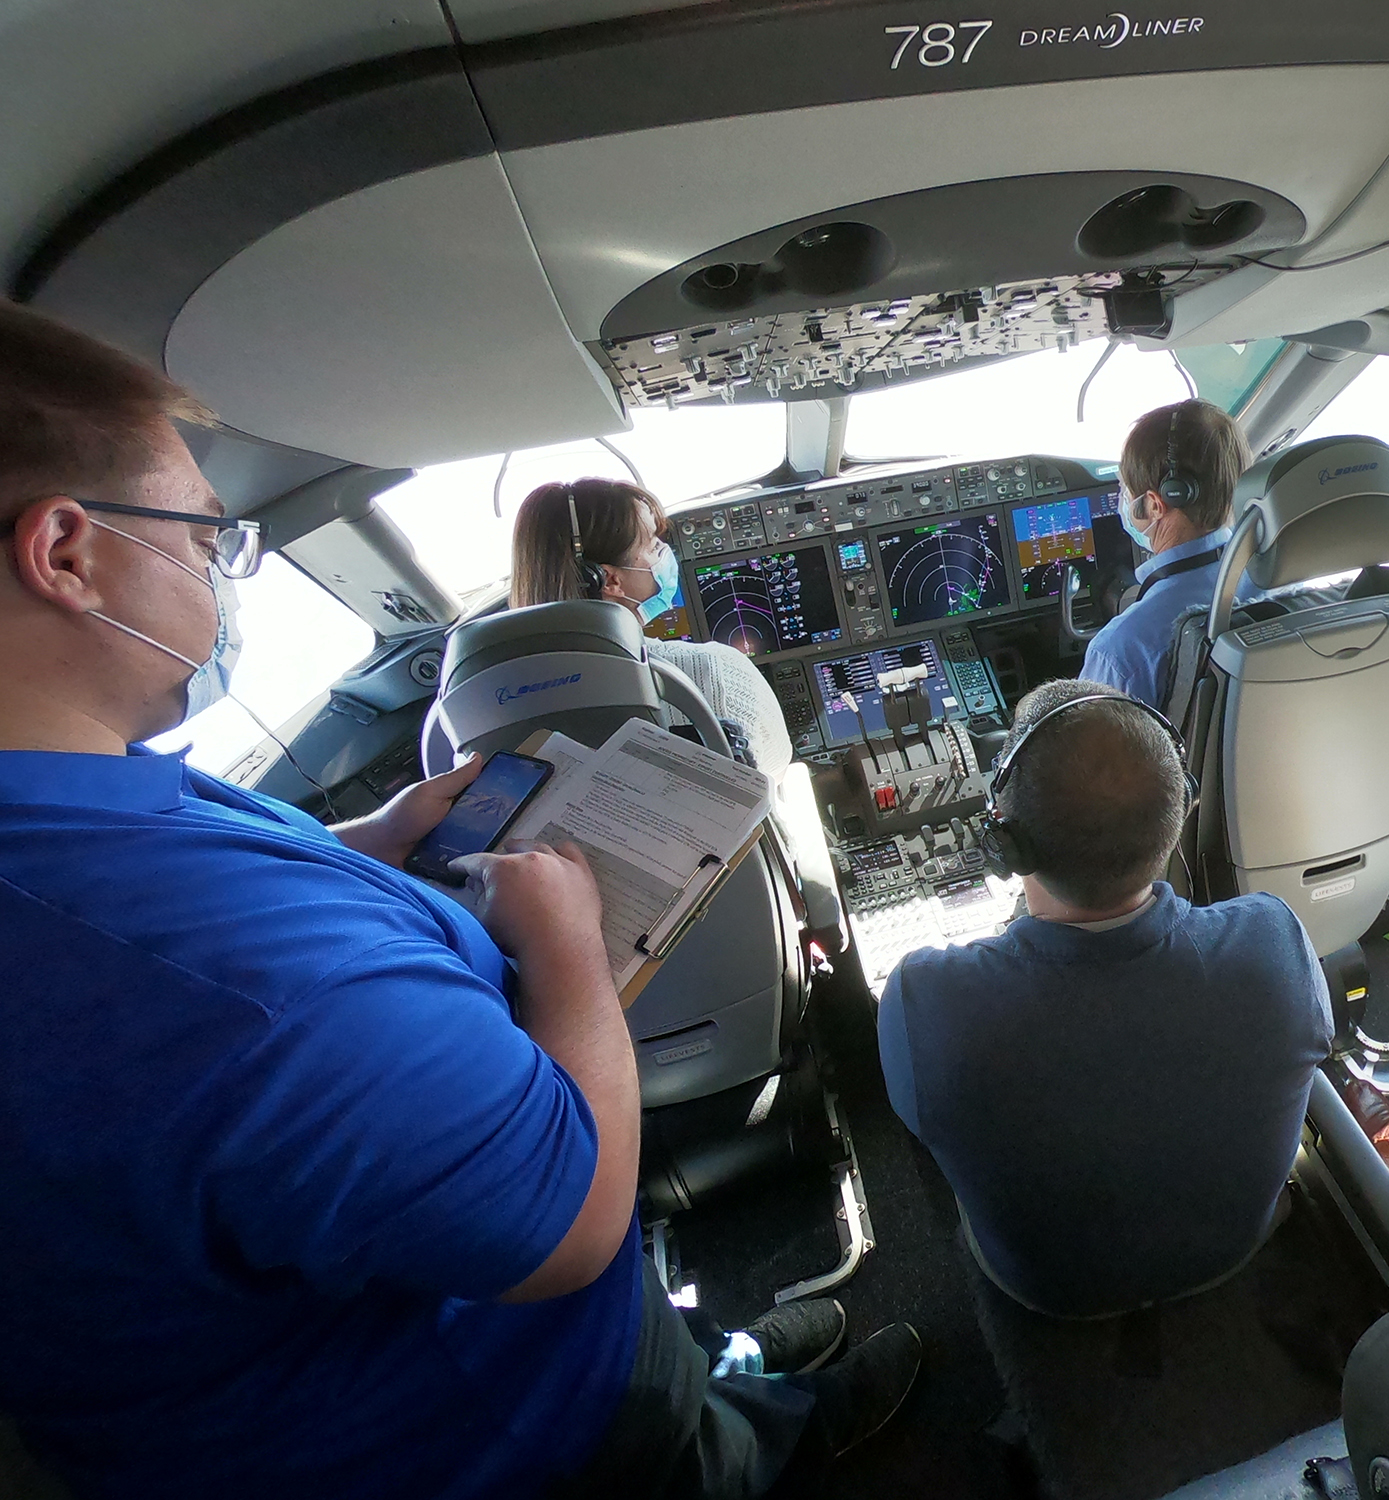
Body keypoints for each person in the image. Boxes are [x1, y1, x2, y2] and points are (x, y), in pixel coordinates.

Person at [0, 301, 919, 1499]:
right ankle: (764, 1441)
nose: (222, 571)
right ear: (66, 554)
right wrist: (569, 950)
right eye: (205, 536)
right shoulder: (242, 977)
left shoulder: (77, 801)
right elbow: (577, 1221)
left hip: (260, 1396)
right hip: (500, 1422)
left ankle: (729, 1369)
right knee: (691, 1454)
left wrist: (365, 846)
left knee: (686, 1365)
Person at [877, 679, 1335, 1318]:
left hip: (1046, 1292)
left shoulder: (923, 1005)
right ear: (1179, 821)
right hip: (1231, 1254)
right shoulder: (1275, 943)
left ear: (1005, 843)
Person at [511, 478, 792, 775]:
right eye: (654, 545)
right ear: (611, 581)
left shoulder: (483, 700)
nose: (665, 552)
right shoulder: (714, 670)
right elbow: (774, 769)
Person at [1081, 399, 1253, 712]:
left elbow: (1087, 760)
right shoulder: (1281, 589)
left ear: (1155, 505)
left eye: (1126, 489)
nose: (1123, 498)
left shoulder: (1122, 651)